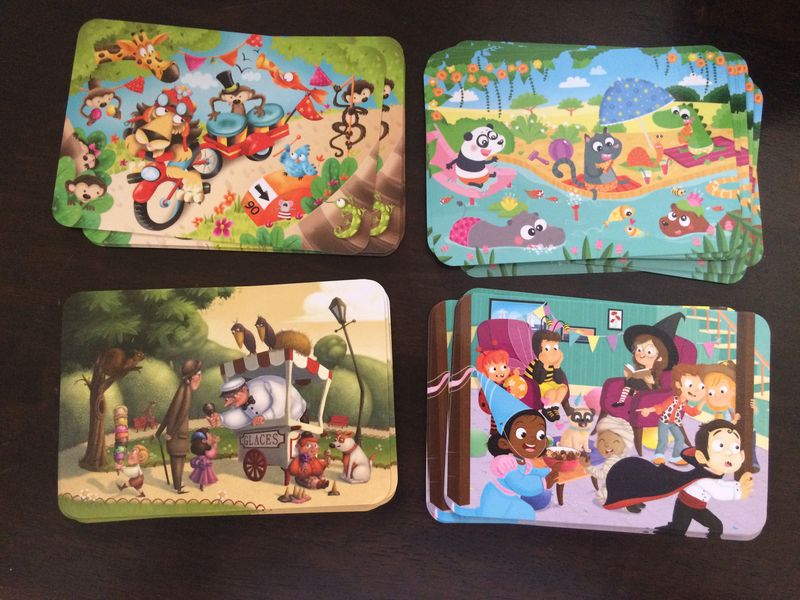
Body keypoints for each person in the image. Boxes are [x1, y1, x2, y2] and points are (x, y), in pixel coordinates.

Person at [438, 373, 559, 522]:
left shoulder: (522, 460)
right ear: (504, 443)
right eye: (522, 434)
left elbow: (532, 471)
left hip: (510, 499)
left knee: (527, 513)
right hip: (495, 497)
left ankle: (458, 512)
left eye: (540, 435)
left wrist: (549, 470)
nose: (533, 440)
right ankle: (451, 514)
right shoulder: (505, 462)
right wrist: (544, 482)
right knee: (483, 517)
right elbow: (519, 483)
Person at [604, 420, 755, 539]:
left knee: (695, 528)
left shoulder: (708, 472)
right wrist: (739, 490)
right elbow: (718, 491)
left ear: (742, 455)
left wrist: (739, 486)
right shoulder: (704, 478)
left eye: (735, 448)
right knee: (688, 529)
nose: (729, 453)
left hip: (696, 506)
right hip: (686, 506)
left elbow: (720, 486)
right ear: (701, 456)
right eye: (720, 446)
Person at [612, 312, 684, 408]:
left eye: (649, 352)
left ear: (660, 357)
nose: (641, 354)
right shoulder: (640, 368)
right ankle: (621, 401)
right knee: (629, 384)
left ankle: (634, 405)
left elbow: (656, 384)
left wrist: (650, 381)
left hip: (648, 389)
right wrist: (630, 375)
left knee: (638, 387)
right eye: (639, 349)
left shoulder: (656, 371)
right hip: (637, 384)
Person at [638, 364, 705, 465]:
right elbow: (660, 407)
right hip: (664, 422)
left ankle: (676, 457)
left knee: (680, 438)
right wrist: (648, 410)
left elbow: (692, 412)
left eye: (700, 387)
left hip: (674, 423)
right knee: (663, 440)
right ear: (678, 385)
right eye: (690, 385)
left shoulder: (684, 403)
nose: (695, 390)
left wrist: (703, 401)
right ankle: (658, 456)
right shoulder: (673, 399)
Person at [154, 359, 202, 493]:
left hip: (176, 434)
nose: (200, 377)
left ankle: (177, 485)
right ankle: (177, 487)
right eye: (198, 374)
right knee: (178, 458)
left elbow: (170, 412)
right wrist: (170, 433)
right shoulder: (186, 391)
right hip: (178, 434)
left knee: (178, 458)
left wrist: (160, 432)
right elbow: (182, 413)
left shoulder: (182, 388)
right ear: (192, 377)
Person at [206, 375, 307, 430]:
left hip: (296, 412)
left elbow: (282, 403)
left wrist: (265, 416)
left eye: (233, 396)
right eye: (227, 398)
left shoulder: (265, 385)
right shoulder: (243, 402)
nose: (228, 401)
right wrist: (221, 419)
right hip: (278, 426)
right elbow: (240, 417)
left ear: (244, 390)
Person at [580, 417, 635, 508]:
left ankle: (622, 502)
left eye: (614, 441)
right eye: (602, 441)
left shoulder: (612, 460)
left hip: (615, 488)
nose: (607, 444)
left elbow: (601, 475)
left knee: (602, 495)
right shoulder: (623, 457)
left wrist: (588, 466)